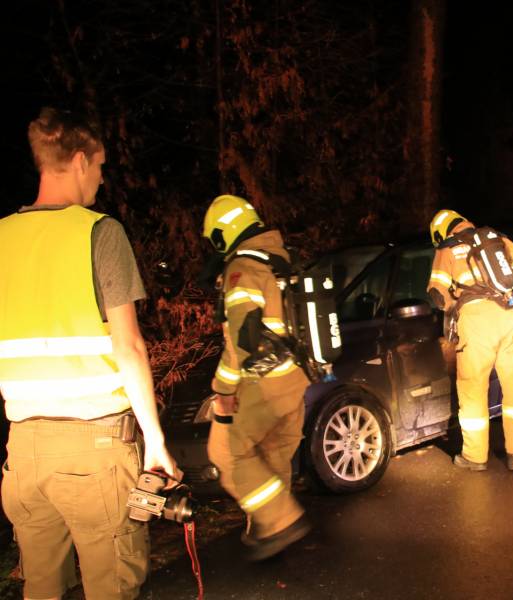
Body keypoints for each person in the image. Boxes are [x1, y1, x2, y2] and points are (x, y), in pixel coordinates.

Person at [0, 107, 180, 600]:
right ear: (79, 160)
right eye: (100, 166)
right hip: (94, 451)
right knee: (112, 588)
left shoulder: (1, 238)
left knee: (41, 588)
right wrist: (156, 440)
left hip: (23, 453)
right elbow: (128, 345)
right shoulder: (99, 232)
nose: (100, 179)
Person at [203, 194, 311, 561]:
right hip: (297, 380)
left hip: (263, 385)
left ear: (221, 235)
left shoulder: (242, 270)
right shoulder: (282, 260)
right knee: (273, 454)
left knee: (226, 454)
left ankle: (282, 520)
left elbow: (240, 344)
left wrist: (223, 390)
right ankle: (267, 528)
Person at [427, 209, 513, 471]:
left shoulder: (447, 249)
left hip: (476, 320)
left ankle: (475, 457)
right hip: (511, 314)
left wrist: (454, 299)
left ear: (441, 232)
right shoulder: (495, 237)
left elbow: (438, 296)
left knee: (473, 388)